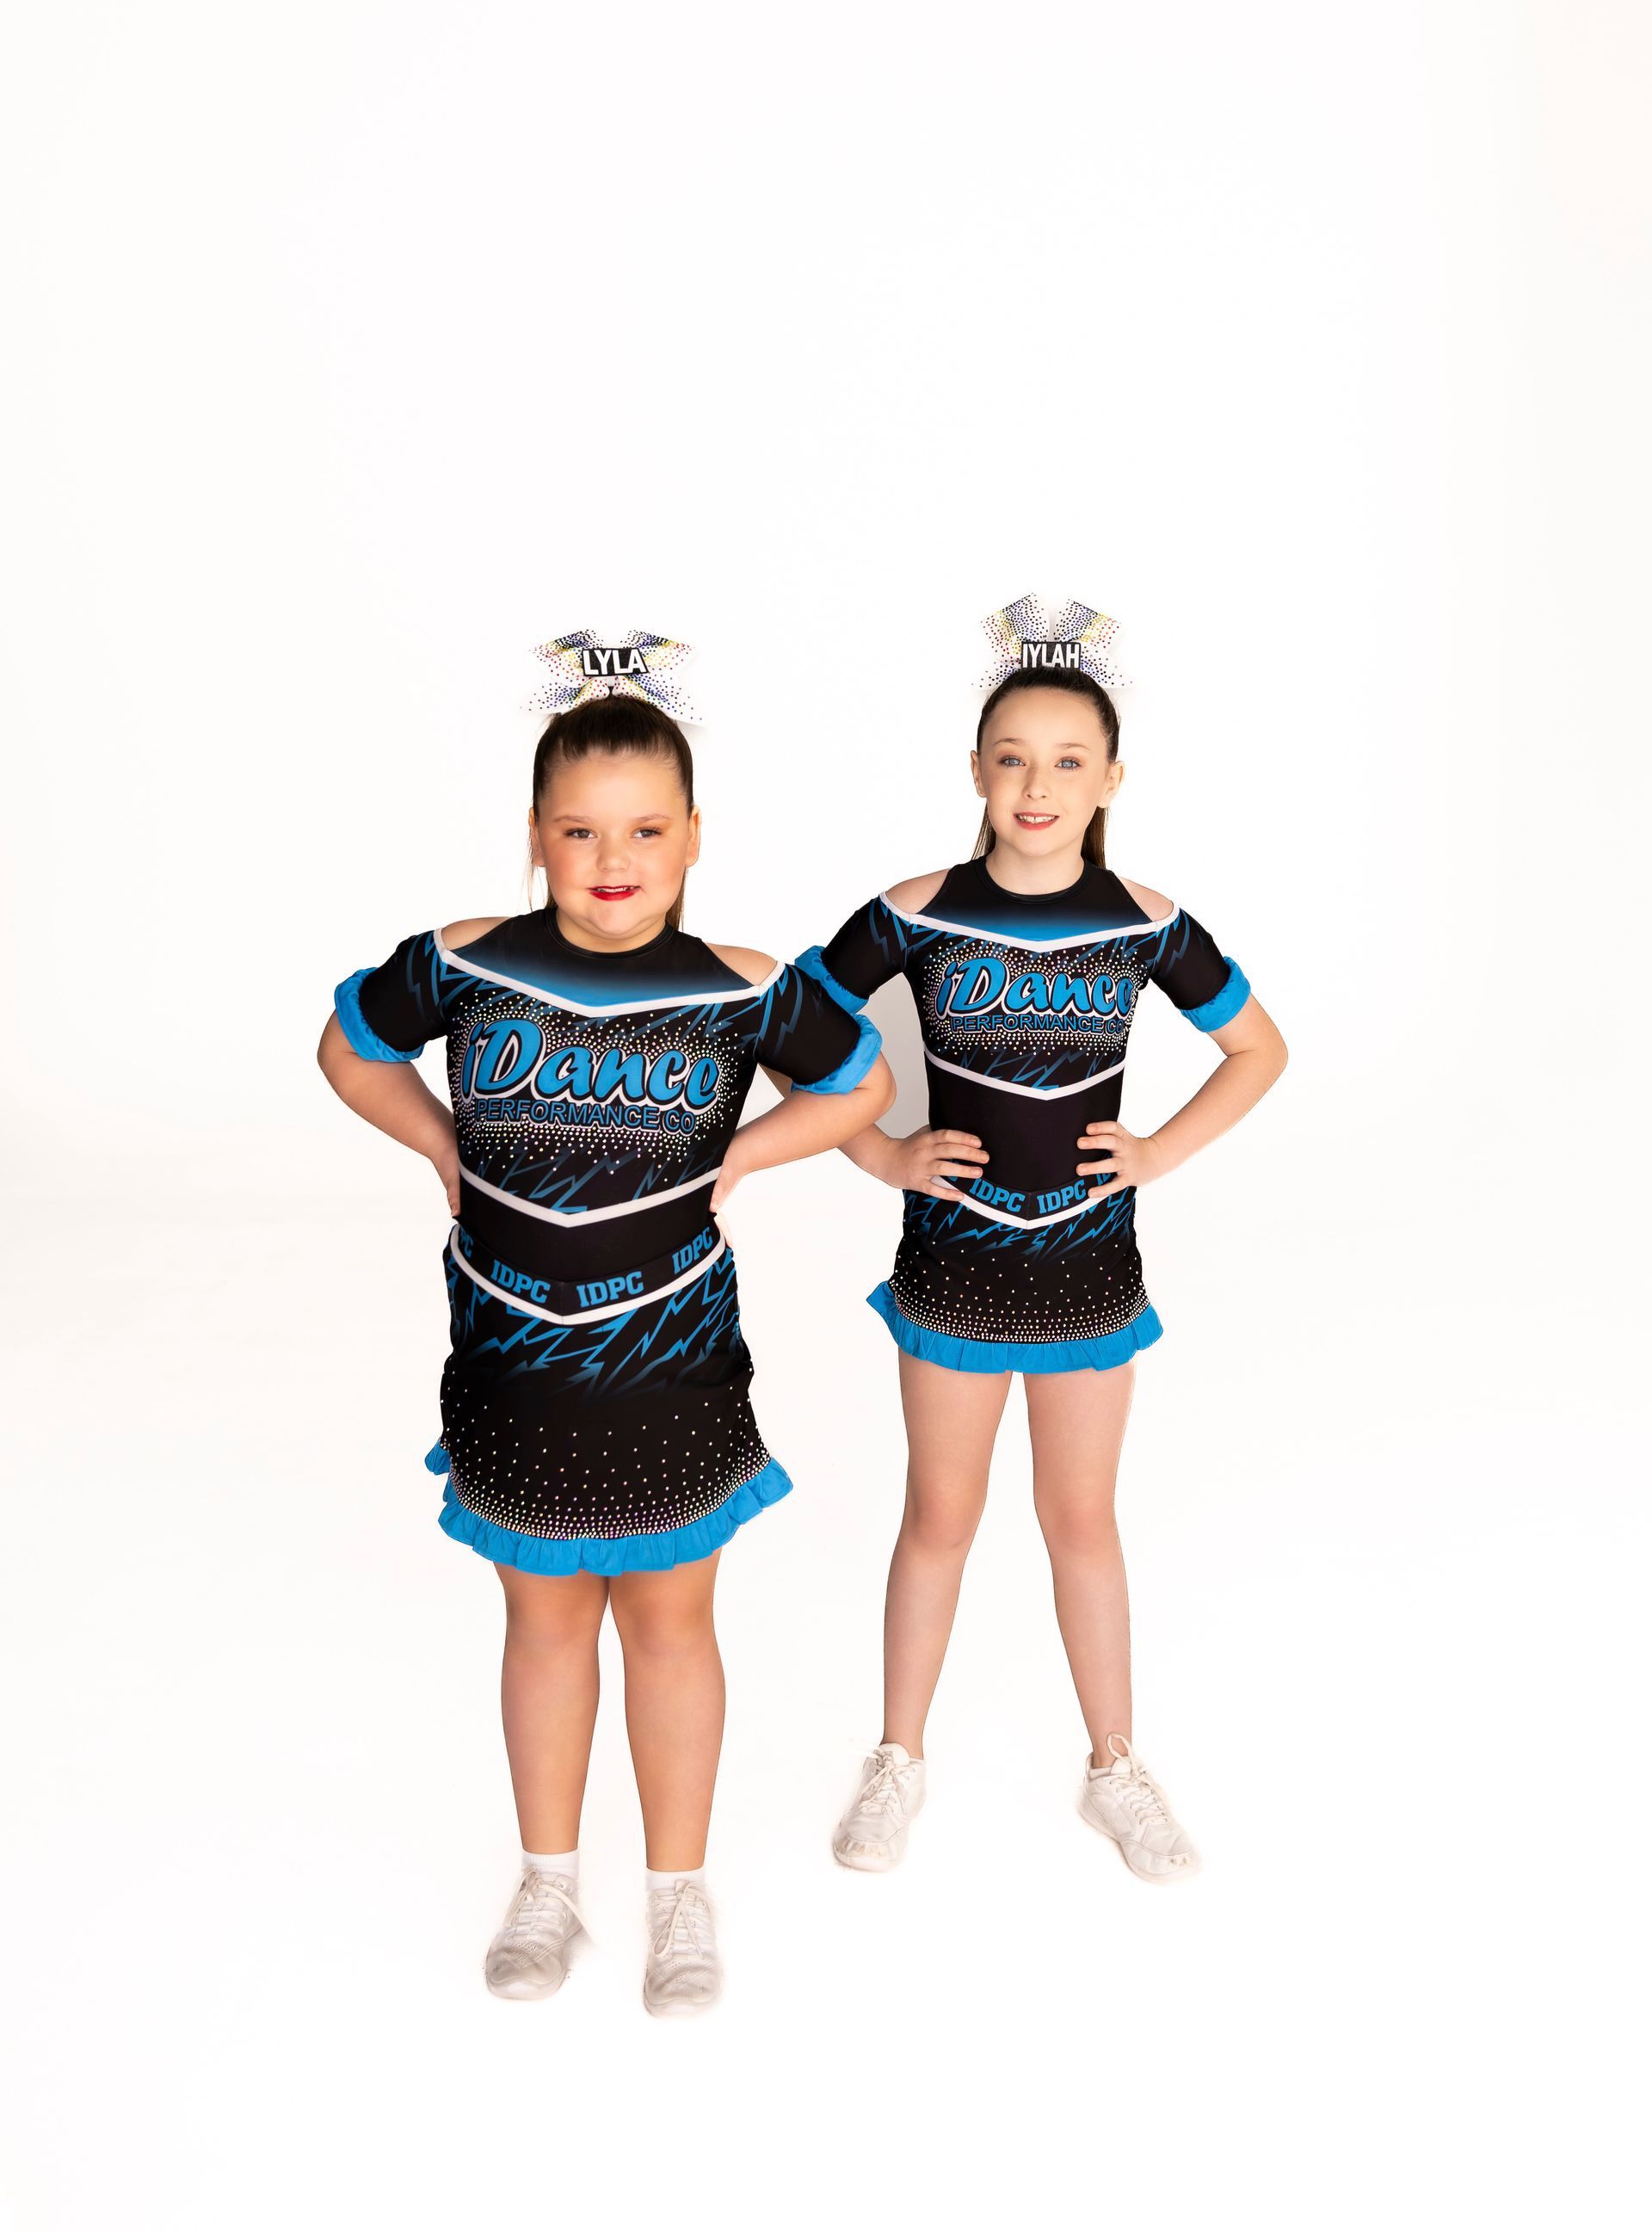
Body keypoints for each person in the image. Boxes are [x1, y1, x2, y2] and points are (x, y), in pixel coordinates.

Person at [318, 646, 891, 2012]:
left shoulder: (742, 986)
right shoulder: (465, 963)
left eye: (644, 830)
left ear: (694, 837)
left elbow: (861, 1082)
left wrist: (743, 1157)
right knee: (542, 1624)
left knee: (674, 1625)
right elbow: (350, 1045)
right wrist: (440, 1145)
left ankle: (679, 1896)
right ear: (536, 837)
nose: (610, 858)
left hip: (671, 1375)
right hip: (514, 1374)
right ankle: (548, 1879)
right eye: (578, 832)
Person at [798, 602, 1286, 1881]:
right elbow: (787, 1030)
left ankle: (1114, 1766)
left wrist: (1159, 1152)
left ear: (1112, 780)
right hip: (952, 1266)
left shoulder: (1145, 919)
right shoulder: (913, 912)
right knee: (939, 1520)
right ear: (975, 770)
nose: (1037, 784)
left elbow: (1259, 1050)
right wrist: (884, 1148)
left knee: (1083, 1521)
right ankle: (898, 1759)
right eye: (1011, 756)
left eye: (1069, 760)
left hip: (1088, 1270)